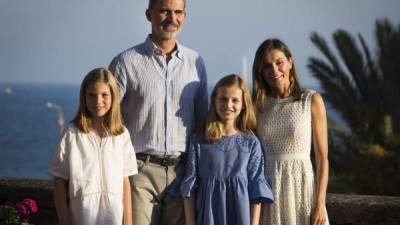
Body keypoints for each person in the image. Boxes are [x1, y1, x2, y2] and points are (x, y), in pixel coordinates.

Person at [108, 0, 208, 224]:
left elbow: (204, 120)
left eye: (178, 12)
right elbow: (108, 119)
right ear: (149, 14)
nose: (172, 18)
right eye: (164, 11)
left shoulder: (196, 62)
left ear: (184, 16)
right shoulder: (125, 62)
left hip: (182, 173)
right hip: (138, 172)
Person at [252, 38, 330, 225]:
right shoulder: (257, 106)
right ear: (261, 71)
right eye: (267, 66)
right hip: (270, 192)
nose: (274, 70)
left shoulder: (311, 100)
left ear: (290, 62)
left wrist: (319, 204)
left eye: (279, 63)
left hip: (303, 189)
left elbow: (322, 159)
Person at [180, 74, 274, 225]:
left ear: (244, 104)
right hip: (208, 217)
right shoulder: (199, 141)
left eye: (235, 100)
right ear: (215, 101)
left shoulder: (251, 143)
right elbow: (189, 189)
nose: (228, 105)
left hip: (239, 216)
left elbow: (256, 191)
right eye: (223, 99)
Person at [48, 68, 138, 225]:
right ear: (84, 97)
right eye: (92, 95)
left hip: (113, 217)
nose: (98, 101)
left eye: (104, 95)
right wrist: (64, 221)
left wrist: (128, 222)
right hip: (82, 217)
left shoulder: (121, 135)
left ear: (113, 97)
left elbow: (125, 182)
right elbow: (59, 182)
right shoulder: (71, 134)